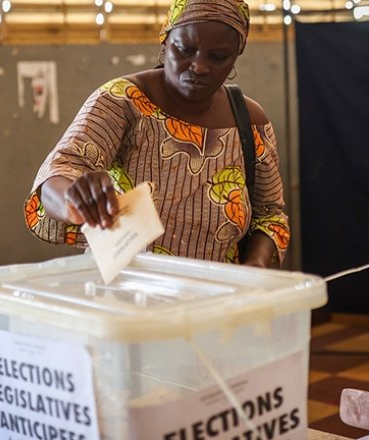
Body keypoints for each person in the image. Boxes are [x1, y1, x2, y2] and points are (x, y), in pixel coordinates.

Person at [25, 0, 290, 267]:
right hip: (129, 294)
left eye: (218, 57)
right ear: (165, 41)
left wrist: (254, 267)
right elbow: (57, 177)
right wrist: (74, 198)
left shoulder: (249, 122)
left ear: (236, 54)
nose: (199, 66)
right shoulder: (123, 102)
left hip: (216, 296)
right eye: (185, 49)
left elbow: (270, 215)